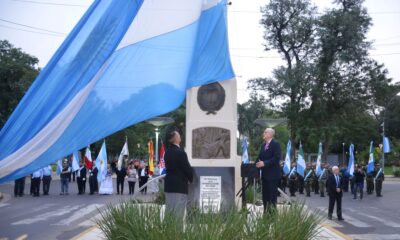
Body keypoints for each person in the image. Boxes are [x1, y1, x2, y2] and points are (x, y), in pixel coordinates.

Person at [164, 128, 193, 219]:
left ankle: (169, 231)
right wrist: (191, 179)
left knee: (169, 212)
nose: (180, 137)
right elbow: (187, 168)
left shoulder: (167, 152)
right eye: (179, 135)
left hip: (169, 185)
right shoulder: (180, 153)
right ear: (175, 138)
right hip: (179, 186)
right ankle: (176, 233)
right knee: (178, 213)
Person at [255, 128, 282, 213]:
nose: (263, 133)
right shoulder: (263, 145)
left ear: (270, 134)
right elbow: (259, 158)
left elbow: (276, 158)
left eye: (265, 132)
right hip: (265, 175)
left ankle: (272, 216)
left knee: (272, 198)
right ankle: (266, 214)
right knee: (265, 197)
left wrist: (265, 163)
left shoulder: (276, 144)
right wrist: (254, 165)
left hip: (273, 176)